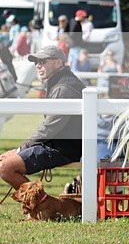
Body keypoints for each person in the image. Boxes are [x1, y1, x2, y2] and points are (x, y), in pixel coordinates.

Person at [0, 45, 85, 190]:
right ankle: (42, 201)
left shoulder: (63, 88)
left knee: (6, 168)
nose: (38, 65)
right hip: (61, 145)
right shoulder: (61, 82)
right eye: (36, 62)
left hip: (63, 149)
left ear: (58, 63)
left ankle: (44, 203)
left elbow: (49, 128)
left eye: (43, 61)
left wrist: (19, 150)